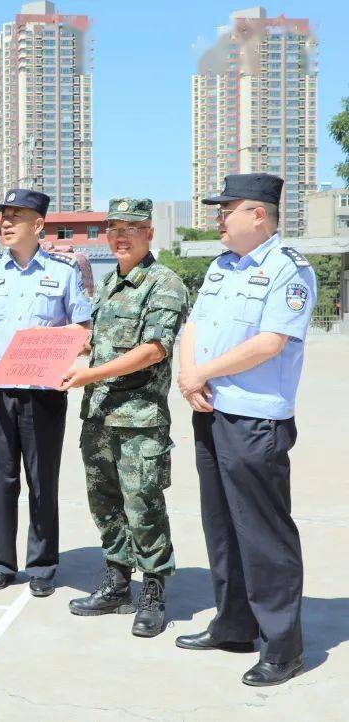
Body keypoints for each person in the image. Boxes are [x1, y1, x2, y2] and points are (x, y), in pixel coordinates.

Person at [175, 173, 315, 687]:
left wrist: (201, 374)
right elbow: (194, 326)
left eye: (226, 208)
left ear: (258, 215)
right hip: (210, 409)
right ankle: (233, 623)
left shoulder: (287, 271)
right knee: (222, 525)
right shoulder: (220, 267)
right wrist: (188, 377)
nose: (218, 217)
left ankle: (282, 646)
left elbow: (271, 341)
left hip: (256, 417)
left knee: (263, 533)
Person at [59, 198, 188, 637]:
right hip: (97, 417)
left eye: (130, 228)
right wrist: (73, 349)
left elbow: (154, 349)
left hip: (139, 420)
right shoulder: (110, 283)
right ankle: (117, 582)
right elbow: (100, 341)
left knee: (144, 506)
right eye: (113, 227)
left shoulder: (164, 283)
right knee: (106, 506)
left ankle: (153, 589)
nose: (119, 235)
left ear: (149, 233)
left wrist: (90, 372)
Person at [0, 189, 92, 598]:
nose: (5, 223)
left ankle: (42, 565)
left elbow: (84, 329)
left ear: (38, 225)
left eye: (15, 217)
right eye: (3, 216)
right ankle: (0, 563)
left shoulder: (64, 272)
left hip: (44, 394)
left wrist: (59, 341)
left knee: (41, 480)